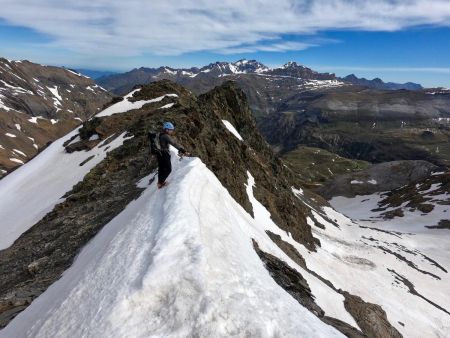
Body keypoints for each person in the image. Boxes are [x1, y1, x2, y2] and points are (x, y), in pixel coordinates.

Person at [152, 121, 188, 189]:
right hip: (164, 154)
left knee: (161, 168)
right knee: (168, 169)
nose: (172, 131)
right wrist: (182, 150)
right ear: (166, 129)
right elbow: (174, 143)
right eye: (171, 130)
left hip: (159, 154)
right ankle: (161, 182)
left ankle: (159, 182)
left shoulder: (160, 134)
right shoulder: (166, 136)